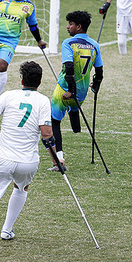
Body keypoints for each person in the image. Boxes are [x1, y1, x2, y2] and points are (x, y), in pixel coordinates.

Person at [0, 61, 53, 241]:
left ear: (21, 81)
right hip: (28, 163)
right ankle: (6, 229)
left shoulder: (7, 96)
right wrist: (57, 159)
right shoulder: (43, 101)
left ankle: (5, 229)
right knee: (21, 187)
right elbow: (47, 134)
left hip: (1, 160)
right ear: (40, 82)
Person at [50, 11, 103, 170]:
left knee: (54, 122)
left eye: (70, 24)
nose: (68, 27)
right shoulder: (95, 44)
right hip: (82, 91)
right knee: (74, 108)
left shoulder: (68, 43)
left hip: (65, 89)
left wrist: (70, 90)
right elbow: (99, 72)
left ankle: (59, 160)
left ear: (78, 27)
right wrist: (96, 85)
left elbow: (69, 67)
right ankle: (76, 129)